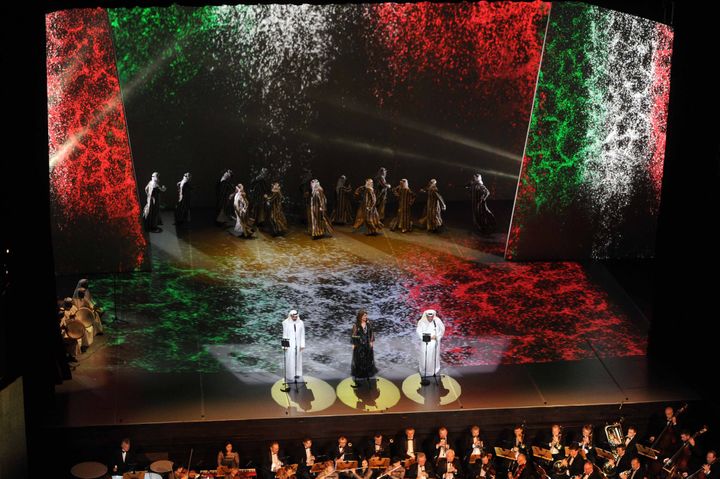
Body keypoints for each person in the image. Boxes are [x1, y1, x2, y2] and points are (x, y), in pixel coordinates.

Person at [351, 310, 378, 387]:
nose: (366, 317)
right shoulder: (356, 325)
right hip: (359, 347)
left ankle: (368, 379)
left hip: (367, 346)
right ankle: (357, 381)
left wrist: (371, 342)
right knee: (358, 362)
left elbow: (371, 333)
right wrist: (354, 344)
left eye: (366, 315)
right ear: (360, 316)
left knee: (368, 362)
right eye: (364, 316)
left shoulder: (369, 324)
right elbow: (354, 335)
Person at [416, 310, 445, 377]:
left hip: (434, 341)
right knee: (424, 355)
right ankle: (424, 370)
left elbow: (442, 329)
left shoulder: (437, 321)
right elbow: (418, 331)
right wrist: (425, 337)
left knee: (433, 355)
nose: (430, 318)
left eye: (431, 317)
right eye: (429, 317)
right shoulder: (421, 321)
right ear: (426, 316)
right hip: (425, 341)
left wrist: (437, 336)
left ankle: (434, 370)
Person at [282, 310, 305, 383]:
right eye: (293, 316)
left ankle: (297, 373)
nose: (294, 318)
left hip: (298, 343)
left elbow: (302, 334)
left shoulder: (301, 323)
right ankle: (290, 375)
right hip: (290, 343)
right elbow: (285, 335)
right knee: (290, 359)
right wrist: (285, 346)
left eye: (296, 316)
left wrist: (302, 345)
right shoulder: (286, 322)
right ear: (290, 316)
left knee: (298, 358)